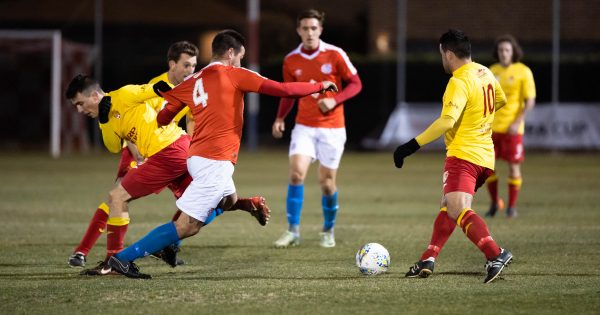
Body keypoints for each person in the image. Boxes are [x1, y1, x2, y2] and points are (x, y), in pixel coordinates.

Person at [106, 29, 338, 279]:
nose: (241, 61)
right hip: (215, 161)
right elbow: (282, 89)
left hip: (198, 157)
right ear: (230, 53)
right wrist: (319, 86)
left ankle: (249, 204)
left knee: (228, 200)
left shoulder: (192, 81)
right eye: (240, 56)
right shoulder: (234, 74)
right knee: (187, 226)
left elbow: (163, 117)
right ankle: (123, 259)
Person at [65, 73, 270, 276]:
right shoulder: (107, 117)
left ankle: (113, 261)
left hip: (167, 152)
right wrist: (103, 119)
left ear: (93, 96)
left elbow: (149, 89)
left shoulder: (124, 94)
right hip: (178, 150)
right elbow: (112, 146)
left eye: (80, 103)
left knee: (117, 197)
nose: (79, 110)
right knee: (215, 202)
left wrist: (162, 90)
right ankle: (247, 203)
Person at [393, 29, 513, 284]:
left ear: (448, 54)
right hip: (485, 156)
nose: (442, 61)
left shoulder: (458, 81)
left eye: (441, 56)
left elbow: (447, 121)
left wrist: (410, 146)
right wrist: (479, 120)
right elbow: (500, 100)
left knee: (457, 208)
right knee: (449, 206)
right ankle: (428, 258)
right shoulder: (485, 71)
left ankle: (496, 254)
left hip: (464, 155)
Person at [67, 41, 199, 269]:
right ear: (172, 65)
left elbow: (186, 116)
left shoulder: (187, 90)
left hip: (165, 148)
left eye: (193, 66)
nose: (190, 71)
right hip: (139, 150)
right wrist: (108, 124)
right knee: (117, 197)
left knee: (193, 200)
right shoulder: (154, 87)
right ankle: (88, 252)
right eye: (186, 65)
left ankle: (149, 250)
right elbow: (120, 139)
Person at [272, 9, 362, 248]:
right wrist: (280, 117)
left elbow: (356, 84)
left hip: (332, 128)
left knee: (327, 182)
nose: (310, 33)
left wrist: (335, 100)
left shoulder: (335, 54)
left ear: (320, 30)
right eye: (305, 28)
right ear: (298, 31)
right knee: (295, 174)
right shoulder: (291, 60)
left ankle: (328, 230)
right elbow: (288, 93)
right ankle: (293, 231)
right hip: (304, 126)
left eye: (314, 28)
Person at [485, 34, 536, 218]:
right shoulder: (491, 71)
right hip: (491, 129)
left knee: (514, 168)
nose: (504, 53)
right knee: (488, 168)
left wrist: (517, 121)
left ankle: (511, 207)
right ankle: (494, 204)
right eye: (500, 50)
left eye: (507, 50)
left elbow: (529, 101)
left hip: (513, 129)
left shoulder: (523, 71)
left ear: (513, 51)